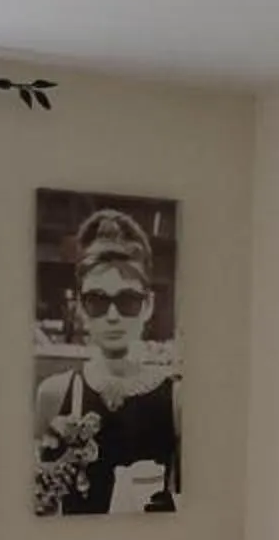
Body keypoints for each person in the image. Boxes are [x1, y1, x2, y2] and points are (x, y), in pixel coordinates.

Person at [34, 206, 180, 514]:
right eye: (98, 302)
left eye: (127, 301)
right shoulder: (56, 393)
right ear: (81, 308)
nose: (113, 316)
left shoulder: (174, 400)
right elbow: (39, 505)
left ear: (148, 306)